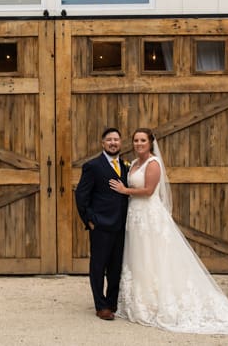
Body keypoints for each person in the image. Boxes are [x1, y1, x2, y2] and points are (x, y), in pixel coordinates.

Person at [108, 128, 228, 334]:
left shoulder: (152, 163)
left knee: (155, 256)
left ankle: (161, 300)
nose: (138, 144)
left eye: (143, 140)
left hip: (150, 217)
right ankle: (143, 299)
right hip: (135, 218)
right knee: (140, 258)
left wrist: (125, 190)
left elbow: (148, 191)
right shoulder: (134, 163)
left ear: (150, 142)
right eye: (136, 140)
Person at [74, 127, 129, 320]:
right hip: (101, 225)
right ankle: (100, 305)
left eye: (116, 139)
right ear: (102, 143)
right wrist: (89, 220)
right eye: (109, 140)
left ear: (120, 143)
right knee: (98, 266)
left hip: (121, 225)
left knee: (116, 267)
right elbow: (81, 195)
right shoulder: (93, 166)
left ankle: (112, 302)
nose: (113, 143)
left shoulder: (126, 165)